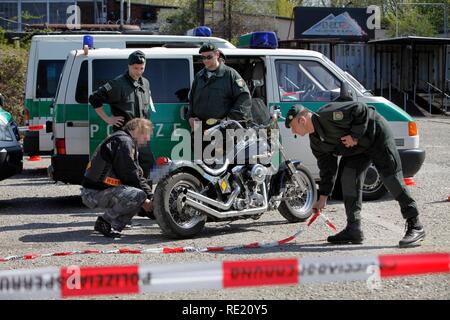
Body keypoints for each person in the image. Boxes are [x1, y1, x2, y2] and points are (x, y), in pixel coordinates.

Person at [285, 102, 426, 248]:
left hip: (376, 135)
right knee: (348, 178)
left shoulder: (328, 115)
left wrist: (354, 135)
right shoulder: (316, 142)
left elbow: (361, 109)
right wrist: (323, 197)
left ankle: (415, 225)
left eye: (293, 127)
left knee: (391, 179)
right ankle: (353, 229)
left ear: (302, 120)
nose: (293, 132)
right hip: (357, 149)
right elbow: (327, 168)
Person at [80, 118, 154, 238]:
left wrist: (151, 197)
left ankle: (115, 225)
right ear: (135, 130)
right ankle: (104, 222)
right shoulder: (124, 142)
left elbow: (137, 175)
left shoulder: (124, 140)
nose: (148, 138)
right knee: (138, 195)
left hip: (98, 190)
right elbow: (130, 174)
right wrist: (146, 200)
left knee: (140, 195)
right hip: (93, 193)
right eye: (146, 134)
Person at [88, 50, 154, 178]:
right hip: (125, 137)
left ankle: (145, 195)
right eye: (136, 68)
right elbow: (94, 99)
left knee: (147, 165)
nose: (139, 72)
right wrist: (108, 119)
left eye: (142, 68)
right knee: (127, 170)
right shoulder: (118, 84)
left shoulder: (145, 82)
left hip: (141, 136)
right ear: (129, 66)